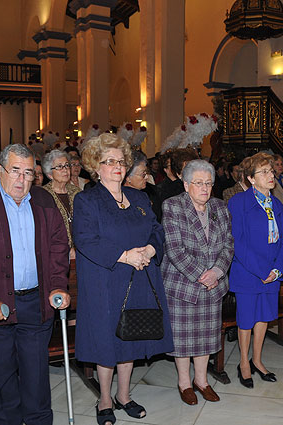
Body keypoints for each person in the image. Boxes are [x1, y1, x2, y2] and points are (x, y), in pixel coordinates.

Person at [0, 144, 71, 425]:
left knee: (36, 371)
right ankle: (7, 420)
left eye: (28, 173)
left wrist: (57, 285)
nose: (21, 179)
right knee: (1, 373)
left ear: (36, 175)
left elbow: (58, 247)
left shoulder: (44, 201)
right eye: (15, 171)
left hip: (36, 301)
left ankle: (38, 420)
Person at [73, 133, 173, 425]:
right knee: (108, 339)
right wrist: (124, 255)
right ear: (96, 166)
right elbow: (85, 240)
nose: (117, 166)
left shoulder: (140, 197)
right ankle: (105, 399)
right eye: (109, 161)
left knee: (131, 335)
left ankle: (124, 395)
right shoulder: (87, 200)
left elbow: (157, 230)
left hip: (140, 277)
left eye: (120, 161)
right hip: (106, 280)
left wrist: (152, 248)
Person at [162, 159, 233, 405]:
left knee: (205, 337)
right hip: (183, 284)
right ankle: (184, 382)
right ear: (185, 184)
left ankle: (201, 381)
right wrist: (202, 275)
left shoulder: (220, 207)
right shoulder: (172, 206)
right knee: (183, 340)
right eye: (199, 183)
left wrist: (217, 272)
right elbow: (174, 249)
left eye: (209, 183)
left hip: (212, 285)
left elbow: (228, 244)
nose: (205, 188)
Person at [228, 152, 283, 388]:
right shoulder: (239, 202)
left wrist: (278, 269)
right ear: (251, 178)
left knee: (264, 317)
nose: (270, 175)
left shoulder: (276, 203)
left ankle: (257, 360)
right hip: (248, 271)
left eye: (271, 171)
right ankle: (244, 362)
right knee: (246, 319)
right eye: (264, 172)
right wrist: (262, 270)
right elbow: (238, 242)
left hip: (272, 273)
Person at [42, 150, 81, 260]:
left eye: (66, 166)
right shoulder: (43, 195)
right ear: (49, 174)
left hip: (81, 251)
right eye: (59, 167)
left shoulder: (77, 192)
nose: (65, 170)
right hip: (55, 254)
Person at [124, 151, 162, 221]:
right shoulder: (120, 198)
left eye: (146, 173)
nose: (147, 177)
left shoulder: (148, 194)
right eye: (143, 174)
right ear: (128, 178)